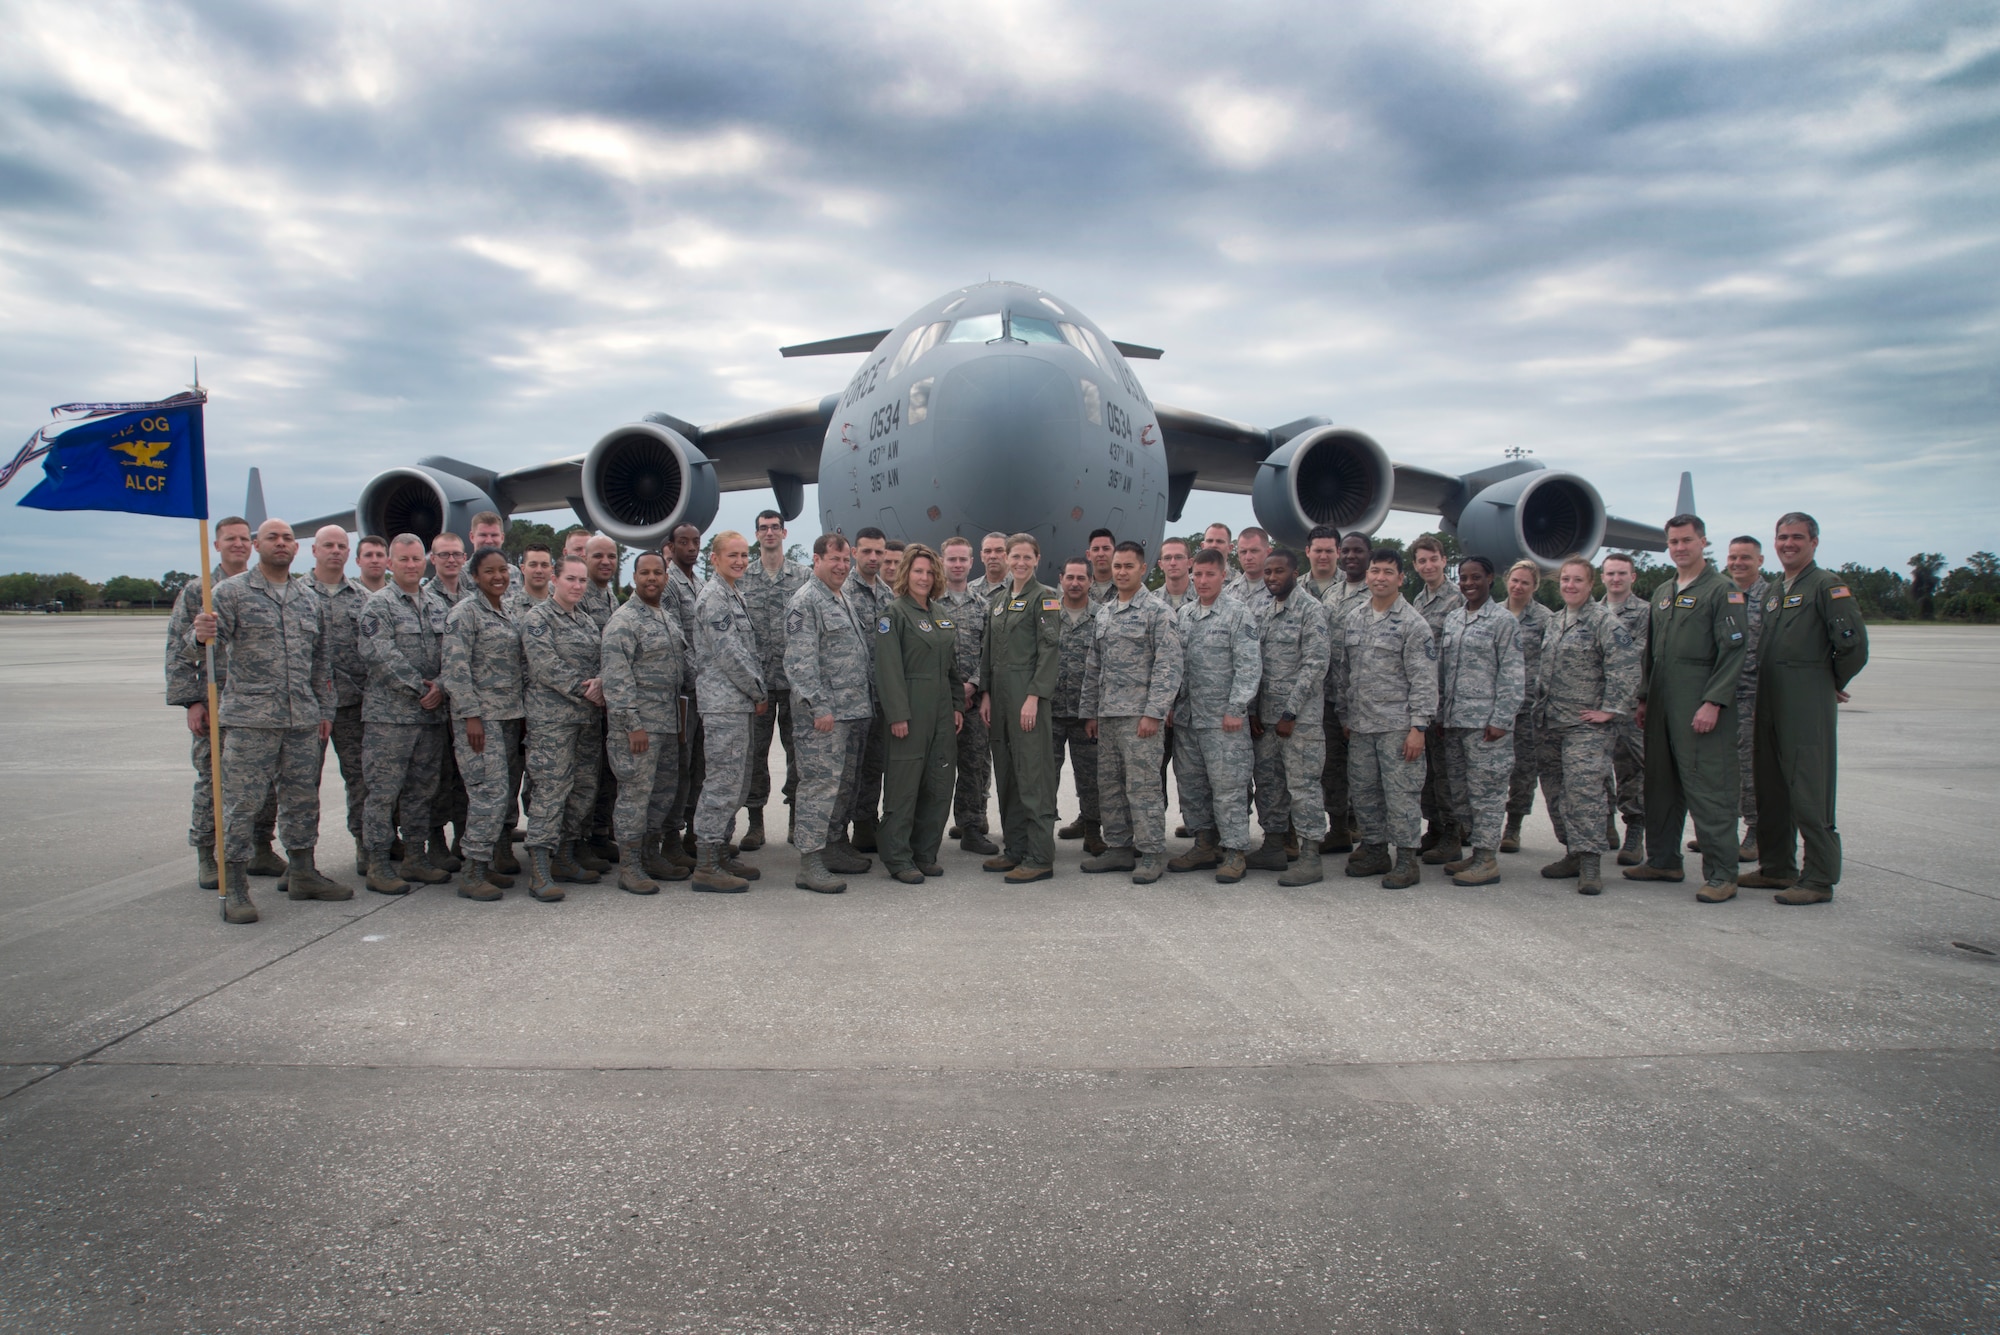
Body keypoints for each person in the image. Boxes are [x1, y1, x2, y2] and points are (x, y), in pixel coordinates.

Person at [189, 520, 341, 923]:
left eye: (288, 538)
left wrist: (325, 710)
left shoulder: (308, 598)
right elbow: (206, 649)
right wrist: (198, 635)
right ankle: (235, 884)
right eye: (272, 537)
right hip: (250, 720)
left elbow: (321, 661)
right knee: (242, 804)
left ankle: (303, 872)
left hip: (302, 720)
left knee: (302, 800)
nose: (281, 544)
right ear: (257, 545)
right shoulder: (231, 593)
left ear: (296, 548)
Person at [1742, 512, 1869, 905]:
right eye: (1782, 537)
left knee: (1810, 789)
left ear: (1814, 542)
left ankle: (1819, 878)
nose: (1788, 544)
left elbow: (1853, 647)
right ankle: (1778, 868)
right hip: (1770, 699)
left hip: (1804, 702)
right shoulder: (1777, 589)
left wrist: (1827, 681)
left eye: (1797, 537)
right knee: (1771, 787)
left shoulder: (1826, 586)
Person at [1627, 514, 1748, 903]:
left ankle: (1722, 873)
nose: (1680, 548)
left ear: (1703, 543)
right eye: (1673, 542)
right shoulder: (1664, 591)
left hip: (1698, 702)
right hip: (1662, 701)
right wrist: (1645, 697)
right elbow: (1652, 652)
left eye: (1686, 541)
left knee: (1709, 787)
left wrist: (1713, 701)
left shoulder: (1721, 590)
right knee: (1660, 784)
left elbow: (1733, 651)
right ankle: (1663, 860)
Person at [166, 515, 269, 889]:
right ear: (217, 545)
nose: (238, 544)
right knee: (213, 782)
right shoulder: (200, 591)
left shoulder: (263, 587)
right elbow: (178, 652)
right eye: (231, 539)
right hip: (217, 701)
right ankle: (206, 854)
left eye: (244, 538)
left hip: (260, 705)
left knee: (262, 784)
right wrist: (192, 701)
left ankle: (260, 848)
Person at [1532, 556, 1640, 896]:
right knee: (1556, 792)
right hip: (1551, 723)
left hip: (1585, 727)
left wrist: (1610, 710)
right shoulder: (1556, 620)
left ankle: (1591, 862)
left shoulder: (1604, 622)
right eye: (1565, 579)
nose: (1570, 585)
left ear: (1590, 584)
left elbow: (1626, 667)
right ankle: (1572, 852)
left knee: (1585, 793)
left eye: (1577, 580)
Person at [1079, 541, 1181, 883]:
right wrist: (1089, 713)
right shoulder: (1104, 612)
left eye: (1128, 566)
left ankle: (1151, 852)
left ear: (1143, 569)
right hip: (1107, 717)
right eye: (1116, 566)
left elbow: (1169, 665)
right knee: (1110, 786)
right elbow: (1094, 666)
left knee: (1144, 787)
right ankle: (1119, 847)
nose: (1121, 572)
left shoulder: (1158, 611)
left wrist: (1154, 712)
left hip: (1140, 719)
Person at [1336, 547, 1437, 889]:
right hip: (1362, 726)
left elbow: (1424, 679)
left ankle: (1407, 859)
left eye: (1388, 572)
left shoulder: (1413, 624)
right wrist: (1346, 716)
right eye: (1375, 571)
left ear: (1400, 578)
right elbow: (1345, 673)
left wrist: (1418, 727)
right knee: (1364, 792)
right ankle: (1375, 848)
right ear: (1367, 576)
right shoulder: (1355, 618)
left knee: (1401, 794)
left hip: (1398, 727)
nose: (1380, 577)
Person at [357, 535, 451, 896]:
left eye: (416, 559)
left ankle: (416, 856)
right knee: (382, 793)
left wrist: (441, 685)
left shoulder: (438, 605)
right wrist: (421, 688)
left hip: (429, 719)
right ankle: (378, 863)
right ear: (390, 564)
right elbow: (379, 654)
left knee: (421, 792)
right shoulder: (377, 606)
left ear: (425, 561)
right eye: (404, 559)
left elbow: (453, 652)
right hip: (390, 719)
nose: (411, 565)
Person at [785, 534, 876, 893]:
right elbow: (799, 661)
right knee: (819, 787)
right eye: (834, 559)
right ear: (816, 560)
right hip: (824, 716)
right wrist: (818, 707)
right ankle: (810, 861)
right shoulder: (806, 601)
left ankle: (835, 846)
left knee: (843, 787)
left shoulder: (842, 598)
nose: (841, 566)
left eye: (845, 560)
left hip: (852, 712)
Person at [1167, 549, 1261, 882]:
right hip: (1188, 719)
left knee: (1229, 788)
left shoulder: (1238, 614)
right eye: (1198, 574)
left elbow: (1249, 666)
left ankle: (1235, 851)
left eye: (1210, 574)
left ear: (1224, 576)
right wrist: (1169, 705)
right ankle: (1204, 844)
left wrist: (1236, 708)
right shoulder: (1184, 615)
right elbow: (1173, 666)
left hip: (1224, 721)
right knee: (1192, 786)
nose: (1202, 581)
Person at [438, 547, 525, 901]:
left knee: (500, 796)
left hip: (507, 717)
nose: (498, 577)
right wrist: (471, 715)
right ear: (474, 576)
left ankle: (484, 863)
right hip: (479, 720)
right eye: (489, 571)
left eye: (503, 570)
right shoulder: (465, 614)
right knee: (487, 795)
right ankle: (472, 871)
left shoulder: (508, 611)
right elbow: (455, 672)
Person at [874, 544, 964, 882]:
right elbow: (888, 669)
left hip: (941, 712)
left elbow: (951, 667)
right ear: (905, 574)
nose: (923, 577)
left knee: (939, 784)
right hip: (910, 709)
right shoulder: (893, 615)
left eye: (928, 572)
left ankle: (925, 852)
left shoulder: (940, 614)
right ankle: (898, 857)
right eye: (917, 571)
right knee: (904, 785)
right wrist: (897, 713)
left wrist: (956, 705)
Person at [600, 550, 688, 894]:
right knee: (635, 797)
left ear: (666, 577)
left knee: (661, 795)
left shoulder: (665, 616)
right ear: (634, 578)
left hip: (666, 723)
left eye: (658, 573)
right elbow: (616, 678)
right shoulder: (624, 621)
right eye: (645, 573)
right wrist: (631, 724)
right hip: (638, 728)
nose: (652, 578)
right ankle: (630, 865)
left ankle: (651, 854)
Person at [518, 555, 606, 900]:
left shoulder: (586, 622)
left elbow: (601, 662)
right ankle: (539, 868)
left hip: (586, 719)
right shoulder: (538, 618)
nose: (577, 586)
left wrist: (600, 682)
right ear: (555, 579)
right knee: (551, 791)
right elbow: (543, 664)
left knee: (583, 790)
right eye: (571, 579)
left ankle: (565, 857)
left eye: (582, 581)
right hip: (552, 721)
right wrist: (584, 687)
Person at [1435, 556, 1525, 886]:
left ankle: (1487, 859)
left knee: (1487, 793)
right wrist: (1441, 714)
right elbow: (1443, 672)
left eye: (1476, 577)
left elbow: (1513, 675)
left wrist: (1501, 719)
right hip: (1456, 722)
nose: (1468, 583)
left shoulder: (1503, 621)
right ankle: (1475, 851)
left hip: (1487, 726)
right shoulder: (1454, 619)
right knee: (1461, 793)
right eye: (1463, 578)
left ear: (1490, 578)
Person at [979, 533, 1062, 883]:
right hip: (999, 697)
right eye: (1016, 556)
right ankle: (1014, 849)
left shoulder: (1045, 599)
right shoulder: (998, 600)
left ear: (1037, 559)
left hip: (1027, 696)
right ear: (1008, 559)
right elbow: (988, 648)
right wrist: (985, 693)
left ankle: (1040, 856)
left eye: (1028, 556)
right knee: (1007, 777)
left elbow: (1050, 650)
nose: (1021, 562)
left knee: (1032, 776)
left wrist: (1034, 696)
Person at [1245, 548, 1330, 884]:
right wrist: (1252, 709)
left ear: (1295, 572)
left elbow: (1315, 665)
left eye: (1278, 571)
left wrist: (1290, 712)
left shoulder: (1311, 610)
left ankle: (1310, 857)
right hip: (1265, 719)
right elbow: (1255, 663)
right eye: (1267, 572)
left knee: (1303, 787)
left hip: (1299, 721)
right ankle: (1274, 846)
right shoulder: (1264, 609)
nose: (1271, 578)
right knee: (1270, 785)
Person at [692, 531, 767, 891]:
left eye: (743, 554)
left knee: (735, 784)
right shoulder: (715, 597)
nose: (740, 560)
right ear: (715, 558)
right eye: (732, 555)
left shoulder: (733, 591)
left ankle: (721, 851)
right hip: (724, 705)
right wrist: (758, 689)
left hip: (737, 704)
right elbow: (730, 655)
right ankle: (706, 862)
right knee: (722, 784)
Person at [740, 510, 808, 852]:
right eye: (763, 528)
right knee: (756, 754)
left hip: (794, 682)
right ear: (756, 535)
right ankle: (755, 823)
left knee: (799, 753)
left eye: (774, 528)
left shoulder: (803, 576)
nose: (769, 533)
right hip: (758, 684)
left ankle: (796, 819)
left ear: (784, 533)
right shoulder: (743, 578)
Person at [308, 524, 371, 872]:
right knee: (302, 784)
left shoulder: (362, 598)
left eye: (341, 545)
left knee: (360, 779)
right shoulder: (299, 594)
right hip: (309, 707)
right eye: (328, 545)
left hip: (352, 705)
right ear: (314, 550)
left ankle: (364, 844)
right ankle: (302, 858)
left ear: (349, 553)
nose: (335, 551)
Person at [1709, 535, 1771, 863]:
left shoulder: (1771, 597)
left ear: (1760, 561)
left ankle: (1756, 832)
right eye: (1733, 557)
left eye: (1745, 557)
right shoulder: (1723, 594)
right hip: (1723, 695)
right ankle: (1722, 834)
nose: (1737, 563)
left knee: (1748, 769)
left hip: (1753, 695)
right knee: (1721, 769)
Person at [937, 536, 996, 854]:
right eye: (952, 559)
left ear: (972, 563)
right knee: (936, 767)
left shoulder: (983, 607)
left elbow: (990, 653)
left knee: (974, 768)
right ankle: (928, 828)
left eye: (963, 560)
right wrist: (950, 691)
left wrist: (973, 685)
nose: (957, 565)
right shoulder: (930, 604)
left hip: (973, 703)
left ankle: (971, 826)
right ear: (942, 561)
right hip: (939, 703)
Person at [1317, 530, 1374, 855]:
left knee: (1365, 771)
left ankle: (1369, 836)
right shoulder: (1332, 594)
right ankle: (1338, 828)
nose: (1352, 556)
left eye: (1358, 551)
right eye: (1347, 551)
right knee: (1333, 768)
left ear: (1368, 555)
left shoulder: (1377, 590)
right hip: (1329, 696)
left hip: (1363, 699)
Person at [1408, 534, 1464, 857]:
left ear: (1444, 560)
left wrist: (1444, 708)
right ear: (1415, 566)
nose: (1428, 565)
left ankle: (1453, 835)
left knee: (1447, 773)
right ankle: (1435, 826)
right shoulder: (1419, 601)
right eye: (1422, 560)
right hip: (1423, 701)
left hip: (1445, 702)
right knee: (1427, 772)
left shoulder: (1457, 600)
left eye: (1433, 559)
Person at [1597, 551, 1651, 865]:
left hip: (1630, 705)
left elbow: (1639, 655)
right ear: (1602, 577)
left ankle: (1634, 832)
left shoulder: (1645, 612)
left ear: (1633, 577)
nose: (1616, 579)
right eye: (1610, 574)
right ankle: (1605, 825)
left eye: (1622, 574)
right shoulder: (1593, 611)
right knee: (1599, 769)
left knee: (1632, 769)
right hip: (1598, 702)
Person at [843, 527, 894, 851]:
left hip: (880, 699)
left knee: (874, 765)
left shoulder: (888, 595)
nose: (873, 558)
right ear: (854, 552)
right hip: (849, 700)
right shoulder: (842, 591)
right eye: (867, 551)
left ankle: (865, 825)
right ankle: (836, 834)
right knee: (847, 770)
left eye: (879, 552)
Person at [1500, 559, 1557, 854]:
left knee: (1523, 771)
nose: (1518, 586)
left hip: (1527, 707)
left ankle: (1513, 826)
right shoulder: (1494, 613)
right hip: (1496, 708)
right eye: (1514, 580)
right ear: (1506, 580)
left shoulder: (1546, 619)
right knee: (1492, 770)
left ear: (1535, 586)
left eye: (1525, 582)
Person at [423, 531, 471, 874]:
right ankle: (435, 842)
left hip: (463, 703)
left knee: (464, 779)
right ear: (432, 558)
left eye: (456, 554)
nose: (451, 559)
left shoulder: (474, 597)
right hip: (431, 706)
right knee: (435, 778)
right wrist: (436, 686)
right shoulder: (423, 598)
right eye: (444, 554)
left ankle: (464, 838)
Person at [1050, 557, 1104, 855]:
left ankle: (1092, 829)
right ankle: (1043, 831)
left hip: (1087, 715)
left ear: (1090, 581)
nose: (1074, 583)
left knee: (1090, 775)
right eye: (1069, 577)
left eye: (1081, 578)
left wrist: (1094, 710)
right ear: (1061, 578)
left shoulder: (1102, 616)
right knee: (1046, 775)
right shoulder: (1047, 614)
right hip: (1051, 711)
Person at [664, 521, 706, 864]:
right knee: (680, 767)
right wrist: (701, 677)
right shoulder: (667, 584)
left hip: (702, 691)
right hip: (682, 693)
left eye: (695, 542)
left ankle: (694, 833)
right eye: (683, 542)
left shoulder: (700, 583)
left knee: (700, 767)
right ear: (671, 546)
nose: (690, 547)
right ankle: (670, 839)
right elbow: (675, 639)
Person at [467, 511, 520, 590]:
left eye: (494, 535)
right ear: (472, 537)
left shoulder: (514, 572)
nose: (489, 541)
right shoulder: (461, 574)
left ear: (502, 538)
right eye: (483, 535)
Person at [1232, 528, 1273, 609]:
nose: (1248, 557)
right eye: (1243, 552)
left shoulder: (1282, 590)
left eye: (1254, 551)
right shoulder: (1229, 592)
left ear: (1268, 552)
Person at [1154, 536, 1195, 613]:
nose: (1173, 563)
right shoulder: (1151, 601)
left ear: (1190, 563)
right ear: (1160, 564)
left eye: (1179, 557)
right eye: (1167, 558)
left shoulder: (1204, 598)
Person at [970, 531, 1009, 600]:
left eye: (999, 550)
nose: (992, 556)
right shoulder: (970, 590)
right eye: (987, 551)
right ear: (982, 556)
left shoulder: (1020, 588)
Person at [1085, 529, 1117, 602]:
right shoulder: (1080, 588)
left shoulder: (1126, 588)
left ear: (1115, 553)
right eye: (1096, 549)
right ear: (1088, 555)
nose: (1101, 554)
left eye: (1106, 549)